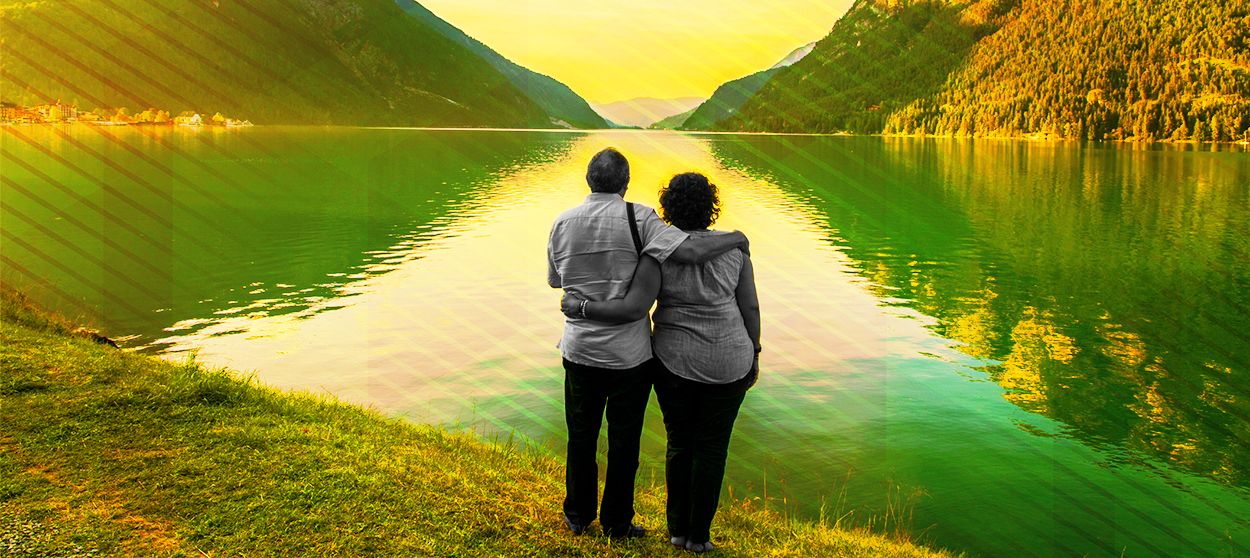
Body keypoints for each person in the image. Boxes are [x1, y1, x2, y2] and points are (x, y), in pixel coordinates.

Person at [547, 149, 750, 539]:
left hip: (580, 350)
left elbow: (556, 281)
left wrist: (583, 300)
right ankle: (617, 522)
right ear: (624, 184)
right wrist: (737, 238)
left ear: (589, 180)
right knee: (624, 442)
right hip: (629, 357)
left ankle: (577, 514)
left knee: (581, 435)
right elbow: (689, 251)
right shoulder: (639, 218)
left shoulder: (561, 222)